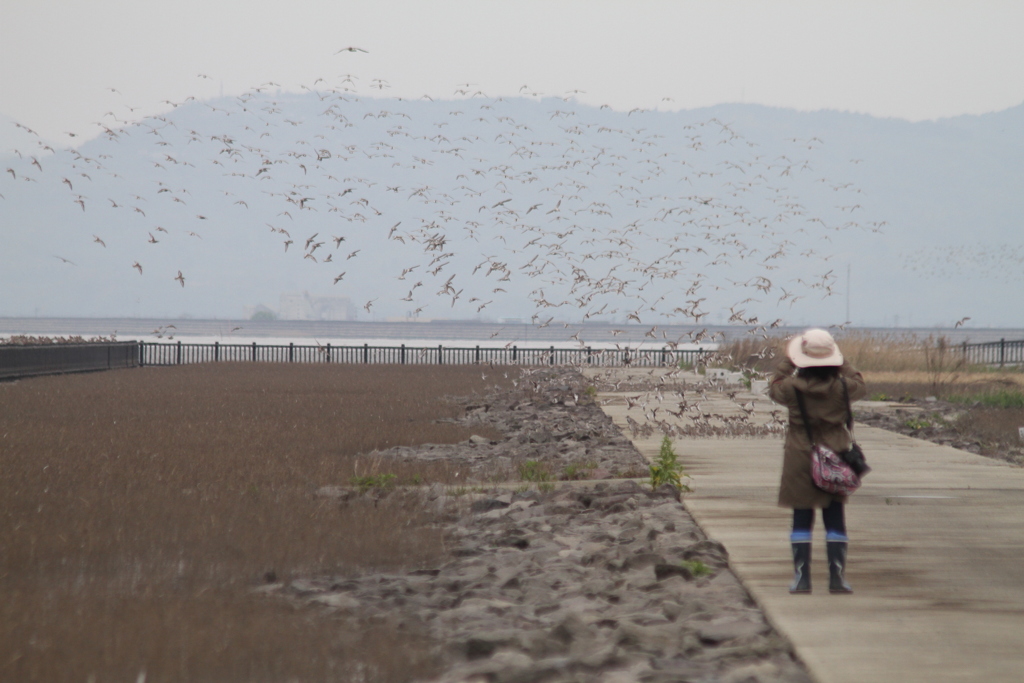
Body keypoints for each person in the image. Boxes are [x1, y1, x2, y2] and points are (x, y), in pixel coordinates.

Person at [768, 328, 867, 594]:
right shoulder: (845, 388)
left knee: (802, 516)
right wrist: (840, 359)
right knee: (835, 517)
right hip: (835, 455)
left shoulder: (790, 388)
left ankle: (802, 579)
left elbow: (774, 384)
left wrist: (790, 358)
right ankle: (837, 578)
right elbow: (858, 379)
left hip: (801, 454)